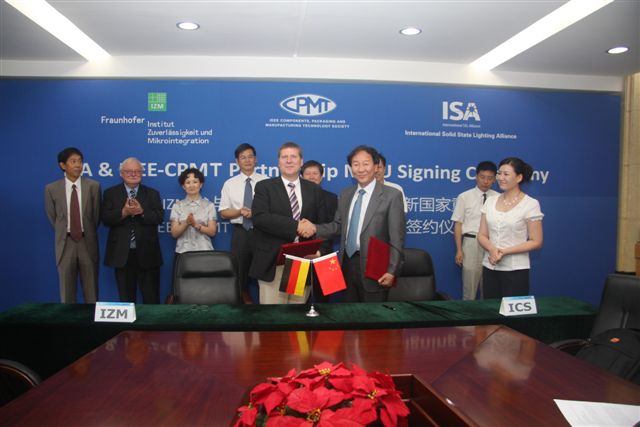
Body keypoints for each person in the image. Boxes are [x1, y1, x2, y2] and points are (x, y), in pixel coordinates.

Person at [305, 145, 405, 302]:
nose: (361, 169)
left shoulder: (391, 195)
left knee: (374, 314)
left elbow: (397, 238)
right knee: (349, 313)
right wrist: (313, 228)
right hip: (347, 264)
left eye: (366, 164)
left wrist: (392, 271)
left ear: (376, 166)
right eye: (356, 164)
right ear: (351, 168)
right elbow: (338, 226)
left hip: (375, 267)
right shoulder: (346, 194)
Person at [249, 142, 327, 304]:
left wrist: (320, 251)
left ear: (301, 161)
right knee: (273, 316)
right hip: (273, 263)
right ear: (278, 162)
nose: (289, 161)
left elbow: (322, 224)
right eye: (285, 157)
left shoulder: (314, 190)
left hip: (301, 262)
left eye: (293, 156)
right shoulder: (264, 187)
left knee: (296, 314)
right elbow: (260, 218)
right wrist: (296, 226)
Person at [477, 157, 544, 298]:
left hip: (516, 270)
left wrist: (504, 251)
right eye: (499, 173)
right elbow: (482, 235)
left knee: (512, 311)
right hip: (490, 267)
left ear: (519, 177)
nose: (500, 178)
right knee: (490, 309)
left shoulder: (530, 204)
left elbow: (536, 241)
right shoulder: (490, 201)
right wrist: (492, 249)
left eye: (506, 174)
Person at [102, 157, 164, 303]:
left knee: (151, 299)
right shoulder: (110, 193)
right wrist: (124, 212)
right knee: (126, 300)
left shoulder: (152, 193)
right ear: (121, 173)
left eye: (137, 171)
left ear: (142, 173)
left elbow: (159, 217)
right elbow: (105, 218)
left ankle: (150, 319)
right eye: (129, 171)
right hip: (122, 255)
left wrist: (142, 211)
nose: (134, 174)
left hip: (148, 254)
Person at [44, 147, 101, 303]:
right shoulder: (51, 189)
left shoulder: (93, 186)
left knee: (91, 293)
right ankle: (68, 320)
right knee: (67, 293)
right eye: (73, 161)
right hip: (65, 244)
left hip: (87, 243)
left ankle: (92, 319)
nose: (78, 165)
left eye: (80, 161)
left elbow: (95, 217)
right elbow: (53, 217)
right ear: (63, 165)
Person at [219, 143, 268, 303]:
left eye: (250, 156)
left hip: (263, 233)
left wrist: (256, 214)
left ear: (256, 159)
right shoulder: (229, 183)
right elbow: (224, 212)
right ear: (237, 161)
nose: (247, 160)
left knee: (264, 276)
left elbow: (274, 210)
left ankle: (265, 312)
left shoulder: (267, 182)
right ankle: (240, 311)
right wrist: (240, 211)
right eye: (243, 157)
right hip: (240, 234)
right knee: (239, 276)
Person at [451, 161, 498, 300]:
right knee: (469, 285)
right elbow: (458, 224)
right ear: (476, 177)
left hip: (492, 244)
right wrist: (459, 250)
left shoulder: (498, 198)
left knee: (489, 286)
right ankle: (468, 313)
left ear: (495, 179)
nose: (485, 181)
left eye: (489, 178)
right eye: (482, 177)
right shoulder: (464, 197)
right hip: (471, 243)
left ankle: (488, 313)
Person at [301, 160, 338, 302]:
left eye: (315, 173)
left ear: (322, 177)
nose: (311, 176)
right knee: (297, 300)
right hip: (299, 255)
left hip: (326, 254)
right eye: (308, 173)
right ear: (302, 176)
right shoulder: (294, 197)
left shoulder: (332, 198)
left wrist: (320, 252)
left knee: (325, 300)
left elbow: (334, 227)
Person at [170, 167, 217, 253]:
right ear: (183, 186)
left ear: (201, 184)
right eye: (188, 182)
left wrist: (196, 225)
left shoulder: (209, 205)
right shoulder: (177, 206)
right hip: (183, 252)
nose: (191, 186)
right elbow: (174, 234)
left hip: (204, 251)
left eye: (195, 182)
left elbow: (212, 232)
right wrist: (186, 223)